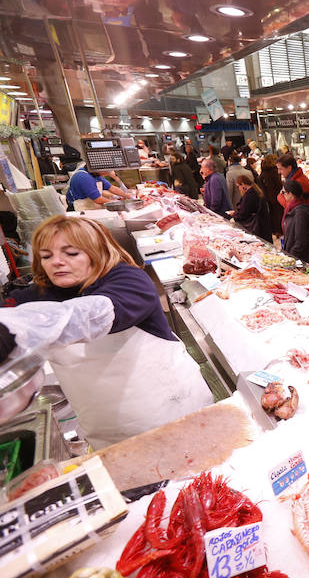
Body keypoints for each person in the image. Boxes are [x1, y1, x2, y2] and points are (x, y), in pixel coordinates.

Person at [0, 217, 213, 449]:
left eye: (71, 253)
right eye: (46, 256)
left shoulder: (128, 279)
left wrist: (17, 329)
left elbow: (96, 314)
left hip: (175, 413)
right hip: (106, 432)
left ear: (96, 252)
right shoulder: (35, 295)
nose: (57, 262)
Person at [228, 175, 272, 243]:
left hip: (257, 228)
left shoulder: (249, 195)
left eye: (238, 186)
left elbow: (244, 213)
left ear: (243, 184)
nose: (239, 189)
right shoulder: (256, 191)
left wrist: (234, 215)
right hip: (263, 225)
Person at [281, 179, 309, 263]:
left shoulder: (300, 213)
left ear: (290, 193)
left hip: (299, 259)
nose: (283, 194)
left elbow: (301, 241)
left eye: (283, 192)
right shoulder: (292, 208)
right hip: (293, 255)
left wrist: (291, 257)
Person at [258, 154, 285, 237]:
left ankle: (274, 230)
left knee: (272, 213)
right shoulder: (274, 171)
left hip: (267, 196)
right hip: (276, 195)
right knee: (278, 213)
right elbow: (278, 184)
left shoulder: (264, 170)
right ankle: (279, 230)